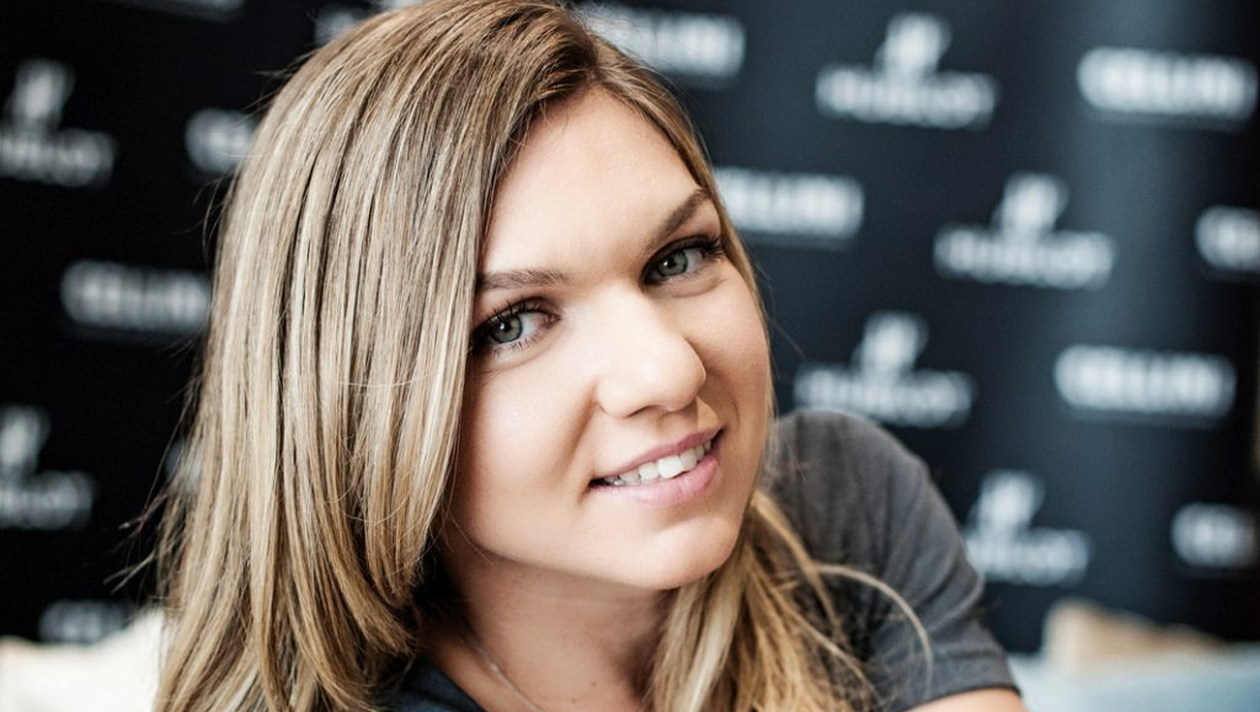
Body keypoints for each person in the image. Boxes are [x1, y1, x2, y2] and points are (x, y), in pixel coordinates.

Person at [150, 1, 1025, 711]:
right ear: (347, 408)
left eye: (677, 258)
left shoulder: (842, 507)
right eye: (513, 324)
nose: (669, 371)